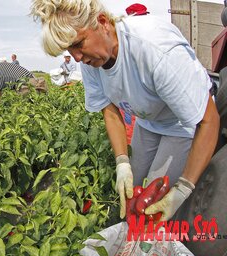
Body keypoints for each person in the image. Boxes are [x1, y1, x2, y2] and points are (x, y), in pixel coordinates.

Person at [31, 0, 220, 221]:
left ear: (102, 22)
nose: (77, 57)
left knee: (154, 199)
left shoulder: (153, 48)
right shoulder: (92, 61)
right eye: (69, 50)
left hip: (183, 125)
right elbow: (109, 110)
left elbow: (208, 120)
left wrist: (184, 188)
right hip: (149, 122)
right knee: (132, 187)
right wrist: (122, 162)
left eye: (78, 44)